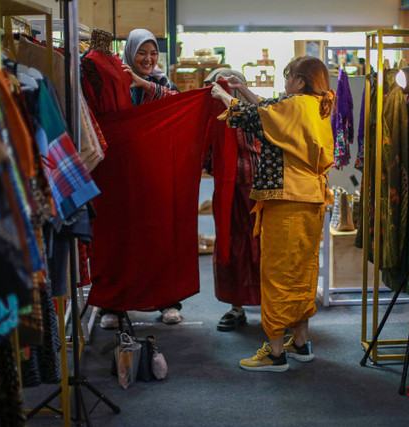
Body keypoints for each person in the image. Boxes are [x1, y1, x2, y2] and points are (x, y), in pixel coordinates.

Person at [210, 56, 335, 372]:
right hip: (310, 199)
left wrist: (225, 96)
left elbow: (257, 118)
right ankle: (300, 342)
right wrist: (247, 91)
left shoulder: (296, 105)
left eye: (289, 76)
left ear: (300, 82)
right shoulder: (315, 105)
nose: (285, 82)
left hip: (287, 199)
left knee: (278, 273)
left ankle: (276, 351)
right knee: (302, 270)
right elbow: (273, 111)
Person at [99, 28, 182, 329]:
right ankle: (113, 306)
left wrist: (144, 84)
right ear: (130, 52)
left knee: (158, 236)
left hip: (154, 170)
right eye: (141, 53)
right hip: (119, 172)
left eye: (153, 53)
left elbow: (178, 105)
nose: (148, 59)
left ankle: (167, 301)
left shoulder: (161, 81)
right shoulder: (113, 79)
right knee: (120, 238)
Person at [202, 69, 261, 332]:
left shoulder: (255, 113)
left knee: (261, 245)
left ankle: (271, 304)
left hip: (257, 192)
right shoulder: (213, 115)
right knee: (231, 243)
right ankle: (236, 306)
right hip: (228, 192)